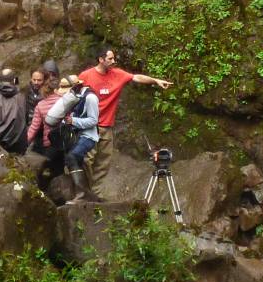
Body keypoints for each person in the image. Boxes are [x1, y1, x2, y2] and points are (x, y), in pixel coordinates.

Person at [76, 47, 173, 187]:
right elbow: (74, 95)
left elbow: (136, 77)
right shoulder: (86, 76)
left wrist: (155, 80)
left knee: (104, 162)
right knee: (87, 159)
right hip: (89, 126)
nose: (113, 61)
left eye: (113, 58)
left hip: (106, 126)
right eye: (110, 59)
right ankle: (85, 190)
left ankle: (95, 193)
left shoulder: (117, 74)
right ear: (101, 60)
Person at [48, 76, 101, 197]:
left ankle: (81, 194)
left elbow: (93, 120)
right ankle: (85, 194)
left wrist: (73, 121)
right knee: (74, 161)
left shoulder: (90, 98)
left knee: (72, 157)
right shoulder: (72, 98)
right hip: (74, 135)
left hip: (88, 136)